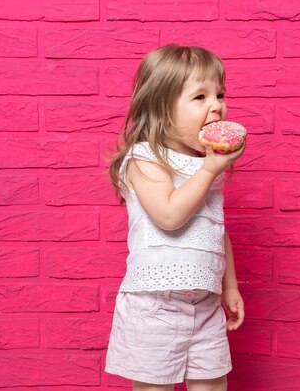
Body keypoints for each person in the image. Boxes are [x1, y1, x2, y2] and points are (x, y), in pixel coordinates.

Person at [104, 44, 246, 391]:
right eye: (200, 97)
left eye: (220, 94)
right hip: (156, 305)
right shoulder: (143, 158)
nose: (217, 105)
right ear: (163, 110)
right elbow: (169, 216)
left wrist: (229, 286)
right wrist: (211, 168)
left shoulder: (205, 166)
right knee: (154, 388)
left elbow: (215, 228)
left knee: (213, 384)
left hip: (205, 304)